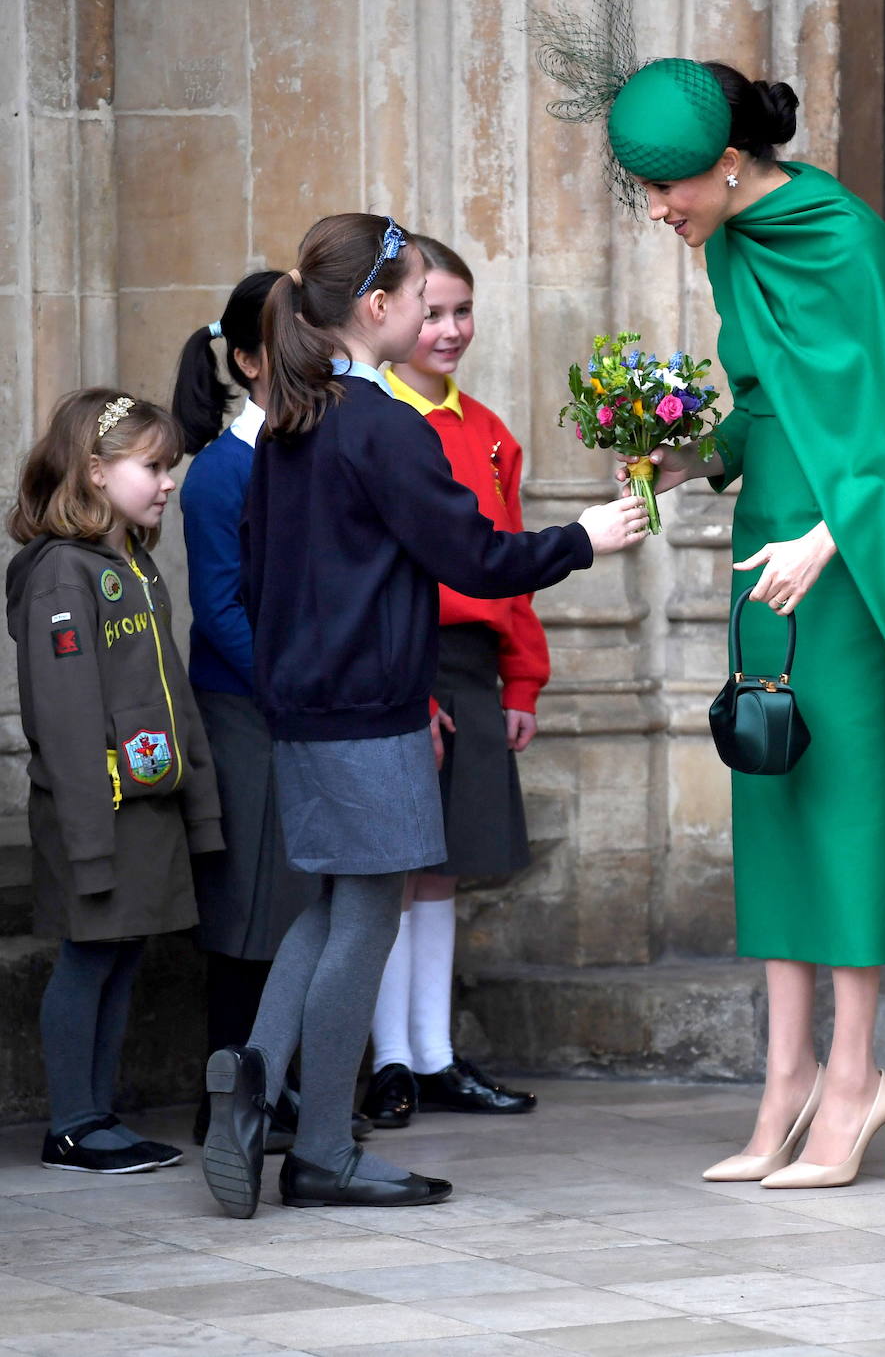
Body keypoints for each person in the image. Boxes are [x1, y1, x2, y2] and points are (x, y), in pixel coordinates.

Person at [537, 51, 885, 1188]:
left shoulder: (849, 241)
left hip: (846, 566)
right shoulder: (734, 240)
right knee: (772, 800)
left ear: (731, 164)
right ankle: (783, 1079)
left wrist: (831, 538)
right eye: (644, 191)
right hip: (765, 559)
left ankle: (856, 1082)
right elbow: (774, 409)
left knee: (849, 814)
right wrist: (679, 460)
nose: (655, 211)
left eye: (667, 189)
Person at [201, 212, 648, 1217]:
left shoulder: (290, 421)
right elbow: (474, 558)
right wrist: (583, 537)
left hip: (307, 705)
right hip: (370, 709)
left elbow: (264, 581)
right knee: (367, 915)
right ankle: (320, 1146)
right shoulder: (380, 424)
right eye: (416, 297)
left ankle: (256, 1074)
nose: (427, 314)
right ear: (378, 308)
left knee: (330, 907)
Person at [172, 275, 369, 1153]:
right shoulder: (221, 473)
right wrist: (294, 691)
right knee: (250, 914)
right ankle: (229, 1099)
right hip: (250, 711)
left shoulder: (311, 448)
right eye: (293, 337)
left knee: (298, 903)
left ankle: (284, 1087)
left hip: (302, 704)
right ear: (250, 359)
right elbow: (221, 610)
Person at [5, 388, 224, 1174]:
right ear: (96, 472)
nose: (167, 481)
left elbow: (172, 689)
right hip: (96, 815)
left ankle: (98, 1116)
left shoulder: (134, 562)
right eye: (153, 466)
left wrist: (200, 809)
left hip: (147, 809)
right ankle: (72, 1122)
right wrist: (90, 841)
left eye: (170, 466)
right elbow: (64, 722)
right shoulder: (65, 575)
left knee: (123, 955)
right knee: (90, 957)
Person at [361, 236, 542, 1128]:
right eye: (431, 311)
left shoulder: (491, 432)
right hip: (403, 660)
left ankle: (432, 1054)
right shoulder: (379, 423)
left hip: (471, 667)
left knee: (444, 870)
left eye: (462, 310)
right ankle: (386, 1059)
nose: (449, 328)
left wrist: (522, 681)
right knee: (392, 868)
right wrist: (405, 686)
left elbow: (509, 564)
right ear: (386, 312)